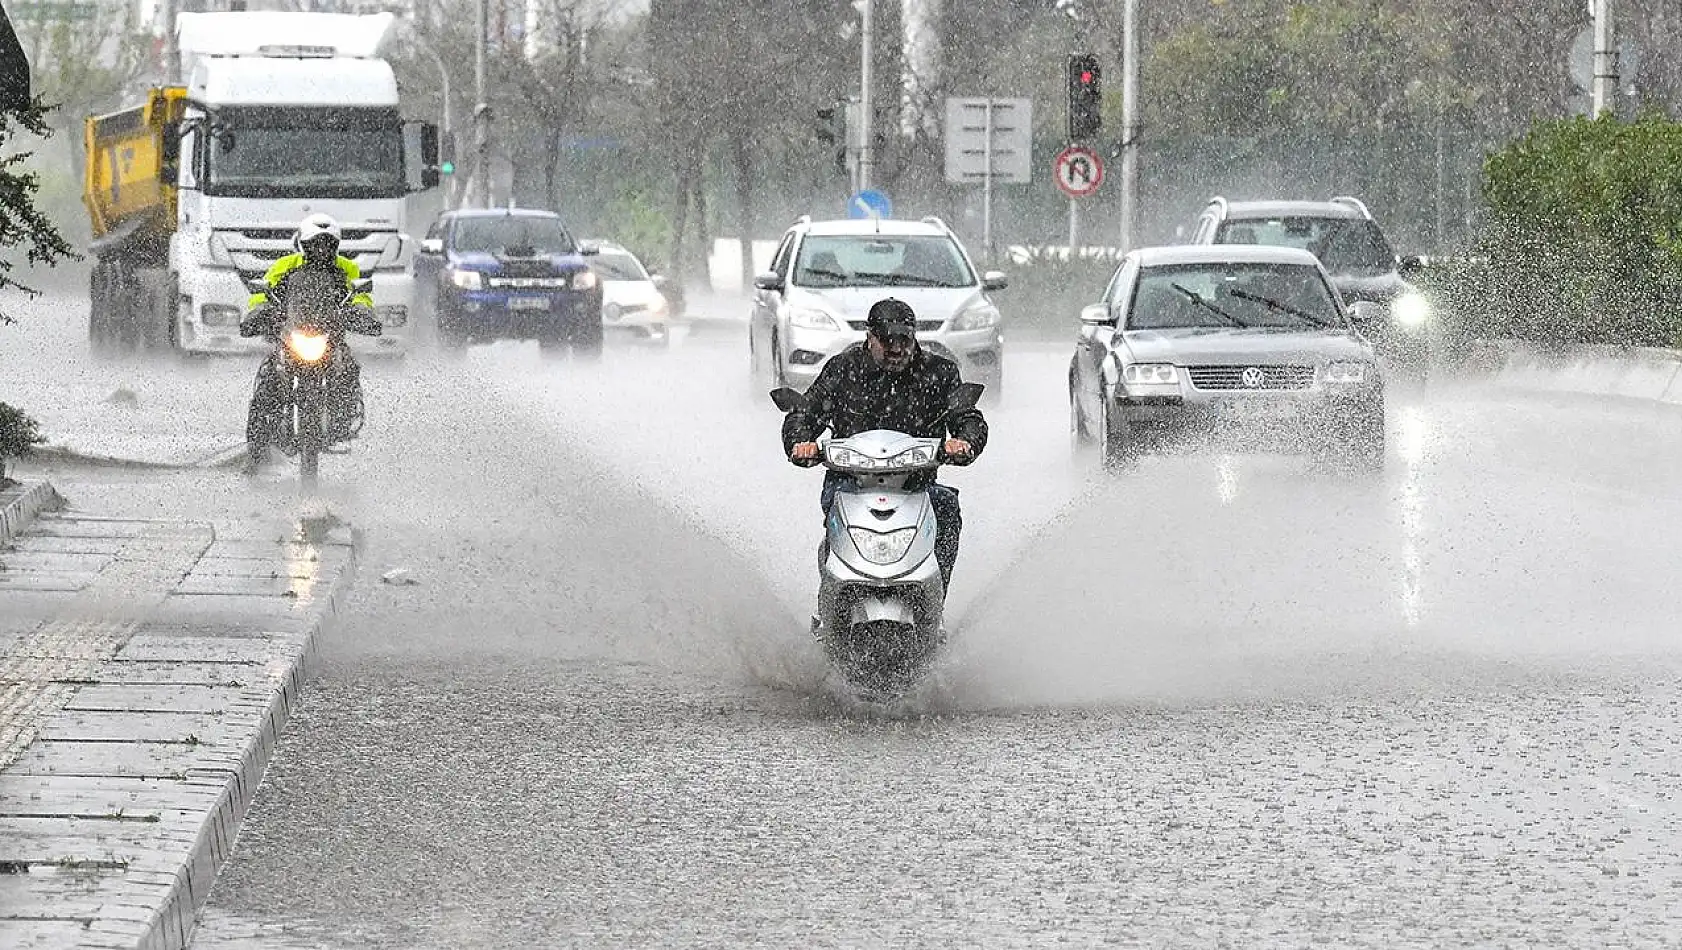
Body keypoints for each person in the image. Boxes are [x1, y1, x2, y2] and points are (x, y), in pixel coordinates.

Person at [782, 297, 987, 594]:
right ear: (869, 336)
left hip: (917, 486)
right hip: (848, 481)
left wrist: (966, 441)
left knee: (946, 507)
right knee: (837, 504)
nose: (896, 349)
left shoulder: (939, 372)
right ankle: (830, 596)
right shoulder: (842, 369)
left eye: (904, 340)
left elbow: (966, 416)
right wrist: (801, 441)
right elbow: (806, 412)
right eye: (887, 340)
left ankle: (935, 595)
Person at [239, 213, 379, 473]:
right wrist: (259, 313)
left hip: (329, 337)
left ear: (336, 245)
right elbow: (263, 293)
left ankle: (343, 417)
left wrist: (363, 314)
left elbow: (360, 297)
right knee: (269, 378)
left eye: (327, 244)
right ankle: (256, 449)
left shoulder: (347, 268)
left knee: (348, 369)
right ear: (303, 244)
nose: (321, 249)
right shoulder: (286, 265)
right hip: (293, 334)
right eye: (315, 244)